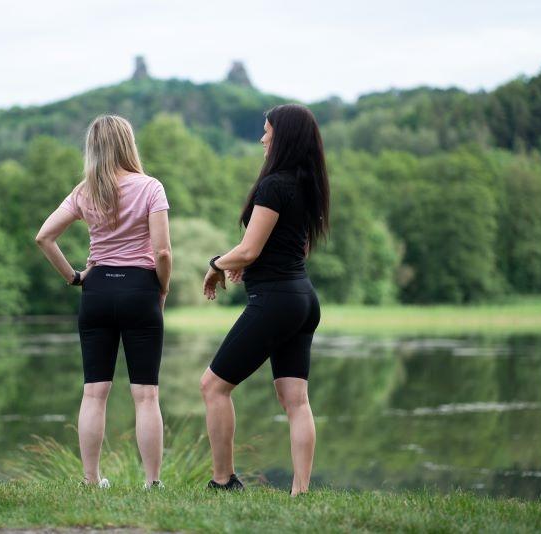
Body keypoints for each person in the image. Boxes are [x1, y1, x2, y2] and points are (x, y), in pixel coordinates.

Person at [35, 114, 172, 489]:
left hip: (96, 291)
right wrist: (162, 289)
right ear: (128, 144)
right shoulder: (151, 188)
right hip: (140, 289)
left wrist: (74, 277)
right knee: (146, 395)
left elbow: (44, 237)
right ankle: (152, 483)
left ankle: (90, 479)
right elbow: (162, 252)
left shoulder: (85, 191)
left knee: (94, 392)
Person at [199, 104, 329, 495]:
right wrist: (246, 262)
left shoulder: (274, 185)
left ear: (282, 137)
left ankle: (224, 480)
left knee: (213, 386)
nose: (262, 138)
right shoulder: (308, 185)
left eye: (267, 131)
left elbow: (249, 248)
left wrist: (217, 264)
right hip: (303, 298)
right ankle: (300, 492)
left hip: (276, 300)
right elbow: (295, 247)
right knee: (296, 400)